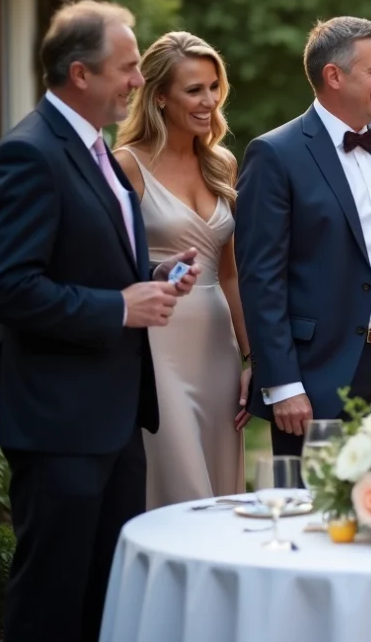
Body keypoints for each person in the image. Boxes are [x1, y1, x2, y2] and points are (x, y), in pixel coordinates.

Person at [0, 0, 199, 642]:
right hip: (58, 421)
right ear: (80, 74)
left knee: (105, 596)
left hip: (113, 417)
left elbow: (87, 262)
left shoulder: (95, 148)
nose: (137, 81)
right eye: (127, 67)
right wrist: (117, 308)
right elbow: (2, 287)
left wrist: (150, 281)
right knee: (51, 600)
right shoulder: (28, 154)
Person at [236, 16, 371, 456]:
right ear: (334, 76)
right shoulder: (275, 154)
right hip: (318, 373)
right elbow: (261, 280)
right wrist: (283, 383)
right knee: (317, 514)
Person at [114, 32, 251, 509]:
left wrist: (251, 358)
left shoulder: (222, 163)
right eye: (194, 90)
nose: (209, 101)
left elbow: (230, 273)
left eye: (214, 87)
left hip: (217, 346)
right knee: (181, 485)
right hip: (158, 344)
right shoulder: (125, 166)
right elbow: (110, 265)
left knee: (219, 484)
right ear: (159, 97)